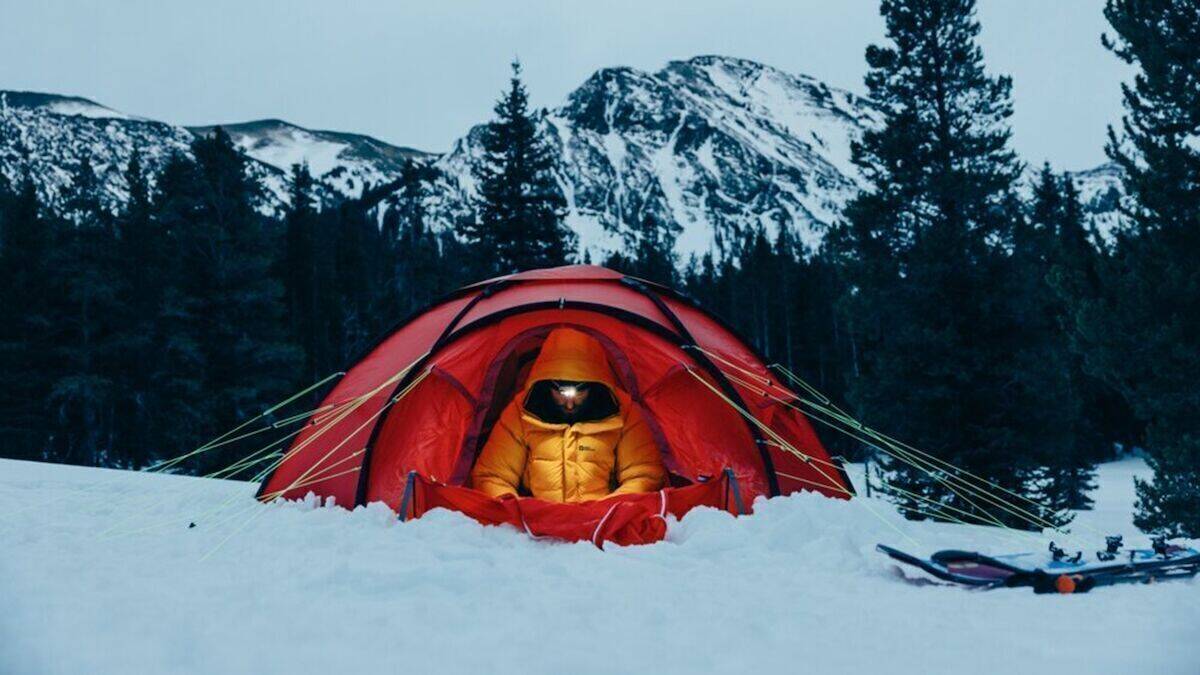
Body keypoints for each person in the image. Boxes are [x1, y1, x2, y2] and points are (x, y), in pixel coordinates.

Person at [471, 327, 666, 503]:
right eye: (561, 393)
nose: (570, 403)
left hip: (603, 519)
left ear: (594, 384)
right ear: (547, 385)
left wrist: (608, 509)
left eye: (579, 393)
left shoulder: (624, 410)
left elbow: (644, 474)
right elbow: (492, 476)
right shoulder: (521, 410)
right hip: (536, 523)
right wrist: (522, 510)